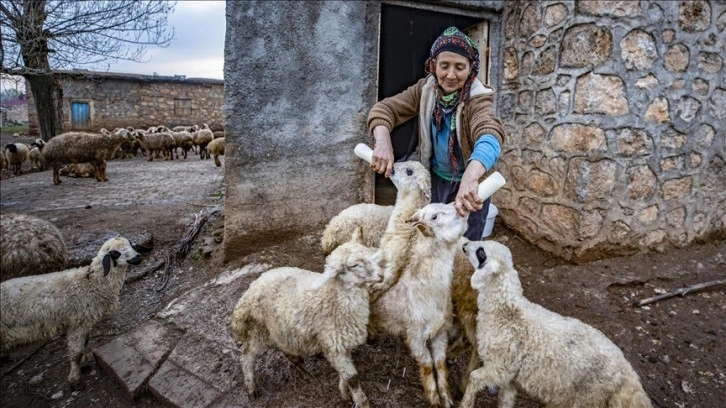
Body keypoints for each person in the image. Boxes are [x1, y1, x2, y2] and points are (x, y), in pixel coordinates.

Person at [368, 26, 506, 240]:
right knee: (432, 240)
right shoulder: (426, 90)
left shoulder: (477, 99)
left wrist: (470, 177)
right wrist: (382, 141)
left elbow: (490, 134)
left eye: (460, 67)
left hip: (470, 186)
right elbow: (385, 109)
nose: (451, 74)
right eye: (444, 66)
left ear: (471, 69)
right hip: (435, 180)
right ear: (433, 65)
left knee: (465, 244)